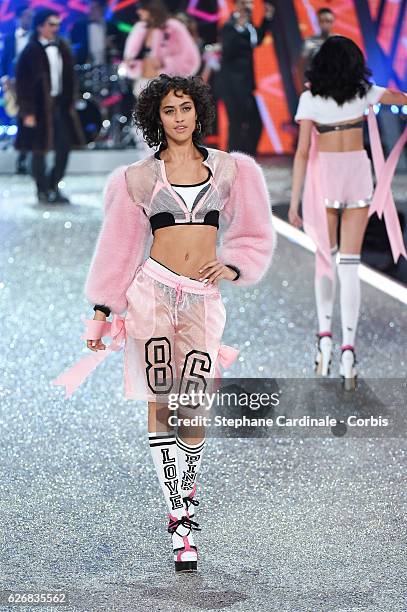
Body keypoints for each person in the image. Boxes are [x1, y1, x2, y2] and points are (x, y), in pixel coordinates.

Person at [53, 74, 275, 572]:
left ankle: (185, 503)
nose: (179, 118)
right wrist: (102, 309)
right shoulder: (136, 179)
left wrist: (235, 263)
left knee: (192, 406)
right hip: (151, 295)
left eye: (186, 108)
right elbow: (119, 247)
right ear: (157, 117)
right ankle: (181, 520)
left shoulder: (231, 171)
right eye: (169, 110)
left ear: (199, 113)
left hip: (202, 300)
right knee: (161, 402)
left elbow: (256, 231)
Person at [289, 36, 407, 389]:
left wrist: (294, 202)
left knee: (326, 260)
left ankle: (324, 339)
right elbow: (402, 100)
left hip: (324, 178)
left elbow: (301, 154)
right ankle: (348, 353)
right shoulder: (365, 93)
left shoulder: (309, 99)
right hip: (356, 177)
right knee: (350, 268)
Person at [15, 9, 82, 204]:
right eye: (51, 24)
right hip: (38, 107)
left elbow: (70, 78)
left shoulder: (63, 47)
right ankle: (42, 189)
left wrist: (70, 101)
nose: (56, 28)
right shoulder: (29, 51)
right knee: (39, 149)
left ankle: (53, 184)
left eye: (57, 24)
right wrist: (27, 112)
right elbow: (22, 84)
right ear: (40, 26)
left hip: (60, 104)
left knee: (64, 147)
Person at [220, 0, 274, 156]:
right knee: (236, 124)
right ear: (237, 6)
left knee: (254, 123)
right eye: (245, 3)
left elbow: (257, 39)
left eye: (250, 3)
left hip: (247, 85)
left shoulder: (249, 27)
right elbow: (228, 50)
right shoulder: (229, 27)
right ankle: (233, 159)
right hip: (232, 86)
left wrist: (267, 18)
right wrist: (240, 27)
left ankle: (247, 156)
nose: (249, 6)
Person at [0, 3, 33, 174]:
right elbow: (4, 61)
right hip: (12, 84)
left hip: (31, 86)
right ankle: (21, 155)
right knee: (17, 117)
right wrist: (4, 78)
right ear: (18, 18)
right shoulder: (9, 38)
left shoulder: (35, 37)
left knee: (27, 119)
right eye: (26, 16)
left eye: (30, 16)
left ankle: (25, 156)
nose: (29, 19)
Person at [70, 0, 123, 66]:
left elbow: (120, 49)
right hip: (84, 67)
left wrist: (112, 46)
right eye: (89, 8)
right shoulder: (78, 27)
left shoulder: (112, 27)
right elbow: (72, 47)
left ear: (102, 9)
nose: (90, 11)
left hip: (107, 66)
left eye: (93, 8)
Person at [297, 7, 335, 88]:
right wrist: (303, 87)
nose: (325, 24)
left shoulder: (340, 40)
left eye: (328, 21)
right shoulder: (310, 42)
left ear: (332, 22)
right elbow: (301, 66)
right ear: (318, 22)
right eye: (322, 21)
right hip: (319, 86)